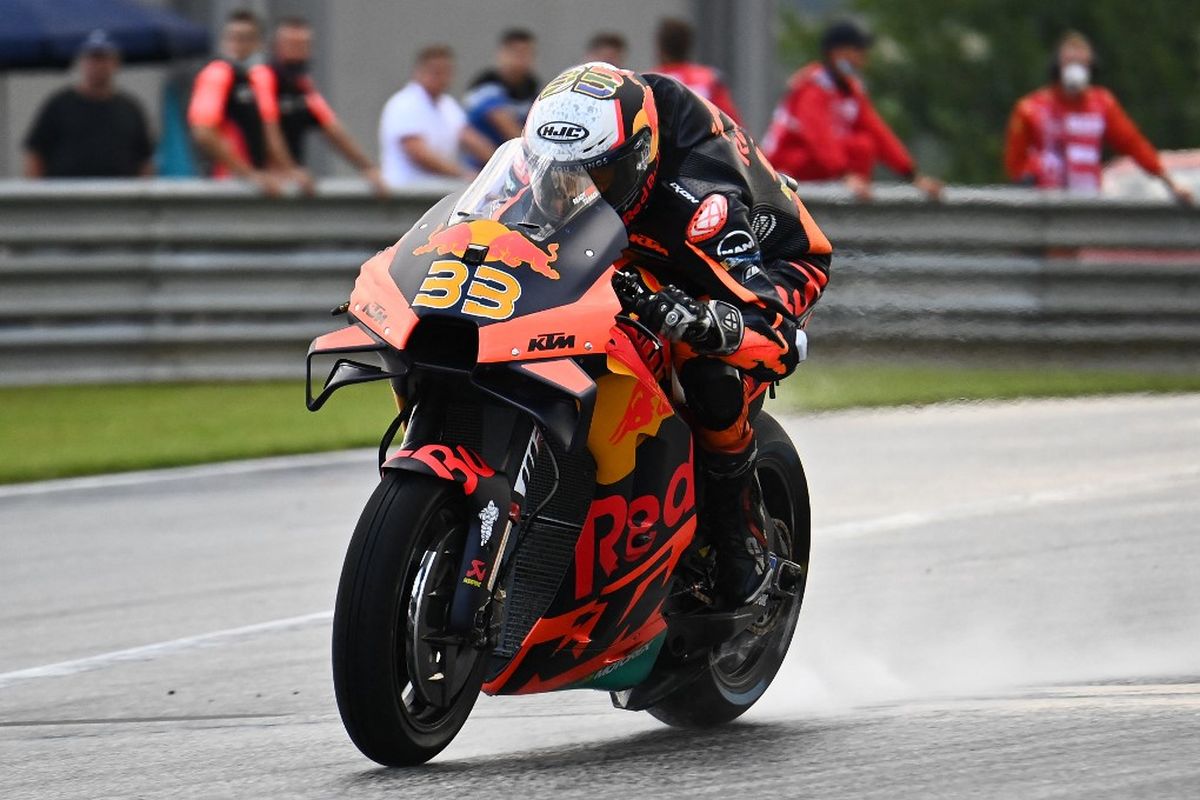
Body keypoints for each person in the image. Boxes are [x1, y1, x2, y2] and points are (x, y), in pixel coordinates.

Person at [521, 63, 833, 606]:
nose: (573, 195)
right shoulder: (580, 144)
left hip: (761, 265)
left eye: (596, 180)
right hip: (636, 245)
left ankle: (738, 549)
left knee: (707, 368)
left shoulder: (702, 202)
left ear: (637, 160)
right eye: (561, 179)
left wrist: (707, 321)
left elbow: (774, 334)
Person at [1004, 31, 1193, 204]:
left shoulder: (1101, 105)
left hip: (1087, 201)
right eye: (1069, 62)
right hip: (1046, 202)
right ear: (1058, 65)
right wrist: (1028, 184)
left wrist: (1169, 181)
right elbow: (1016, 160)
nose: (1075, 68)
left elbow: (1134, 144)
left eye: (1080, 63)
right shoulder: (1032, 108)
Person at [761, 21, 942, 201]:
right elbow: (819, 137)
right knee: (851, 147)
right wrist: (844, 176)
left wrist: (912, 175)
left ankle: (849, 195)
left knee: (863, 144)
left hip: (822, 171)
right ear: (837, 53)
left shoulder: (849, 92)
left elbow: (878, 133)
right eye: (857, 51)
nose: (862, 59)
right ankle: (843, 190)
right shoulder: (812, 88)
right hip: (783, 169)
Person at [260, 17, 387, 196]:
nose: (299, 53)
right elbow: (268, 128)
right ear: (276, 47)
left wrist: (368, 168)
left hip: (284, 184)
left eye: (304, 47)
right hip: (255, 180)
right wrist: (289, 169)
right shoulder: (263, 78)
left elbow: (332, 128)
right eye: (292, 46)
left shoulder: (303, 85)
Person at [23, 30, 153, 178]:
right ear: (82, 62)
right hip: (66, 195)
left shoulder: (130, 108)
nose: (97, 65)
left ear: (116, 63)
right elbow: (35, 154)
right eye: (92, 58)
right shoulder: (59, 105)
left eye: (103, 58)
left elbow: (145, 159)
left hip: (118, 196)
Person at [187, 9, 285, 195]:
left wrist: (284, 169)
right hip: (226, 186)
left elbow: (268, 132)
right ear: (224, 40)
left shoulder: (253, 79)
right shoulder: (217, 73)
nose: (238, 45)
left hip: (251, 185)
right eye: (233, 38)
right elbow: (203, 132)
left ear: (258, 43)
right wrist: (247, 174)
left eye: (246, 39)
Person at [378, 45, 494, 187]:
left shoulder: (448, 105)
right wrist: (464, 175)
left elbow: (470, 139)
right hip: (405, 197)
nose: (441, 78)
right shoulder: (404, 103)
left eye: (446, 72)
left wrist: (499, 166)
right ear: (418, 72)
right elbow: (417, 153)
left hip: (436, 195)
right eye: (435, 72)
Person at [650, 17, 742, 125]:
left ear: (660, 48)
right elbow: (732, 124)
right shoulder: (710, 80)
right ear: (689, 45)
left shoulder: (650, 82)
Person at [463, 29, 540, 150]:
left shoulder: (532, 89)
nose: (520, 60)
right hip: (485, 166)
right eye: (515, 53)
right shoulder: (485, 87)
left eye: (526, 53)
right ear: (501, 54)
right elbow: (510, 131)